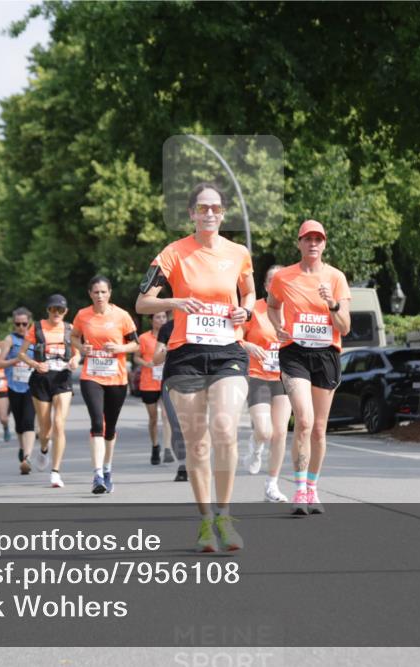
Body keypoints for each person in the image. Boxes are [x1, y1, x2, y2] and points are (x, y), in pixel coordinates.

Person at [136, 182, 254, 553]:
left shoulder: (238, 253)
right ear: (191, 214)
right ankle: (206, 522)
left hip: (227, 351)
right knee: (197, 443)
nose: (209, 213)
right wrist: (176, 302)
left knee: (225, 427)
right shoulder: (172, 253)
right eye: (202, 208)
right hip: (185, 355)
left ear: (223, 213)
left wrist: (246, 310)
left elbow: (250, 292)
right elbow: (142, 303)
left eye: (215, 208)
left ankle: (225, 515)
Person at [267, 220, 350, 516]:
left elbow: (345, 327)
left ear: (324, 244)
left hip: (326, 354)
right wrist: (278, 326)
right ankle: (300, 489)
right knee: (303, 420)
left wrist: (333, 304)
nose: (313, 243)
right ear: (299, 243)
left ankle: (312, 488)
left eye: (318, 239)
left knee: (318, 429)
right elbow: (272, 305)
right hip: (295, 353)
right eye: (307, 239)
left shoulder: (336, 278)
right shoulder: (284, 277)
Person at [72, 276, 138, 494]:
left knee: (110, 429)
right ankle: (97, 474)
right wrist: (81, 348)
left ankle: (107, 468)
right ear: (90, 294)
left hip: (116, 378)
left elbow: (135, 344)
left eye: (103, 292)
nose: (99, 296)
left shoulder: (122, 316)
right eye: (96, 292)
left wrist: (120, 349)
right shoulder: (83, 315)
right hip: (91, 376)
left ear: (109, 293)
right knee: (97, 423)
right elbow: (73, 337)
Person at [241, 265, 291, 502]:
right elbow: (234, 337)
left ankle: (272, 485)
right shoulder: (254, 309)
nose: (276, 283)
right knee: (264, 430)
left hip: (284, 377)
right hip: (257, 375)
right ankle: (256, 443)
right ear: (265, 285)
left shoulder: (292, 311)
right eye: (272, 280)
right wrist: (248, 345)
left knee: (280, 433)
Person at [22, 294, 80, 488]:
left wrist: (75, 360)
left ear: (66, 311)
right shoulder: (37, 328)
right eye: (53, 309)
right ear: (48, 310)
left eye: (60, 310)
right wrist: (35, 364)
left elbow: (77, 352)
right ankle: (44, 448)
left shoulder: (70, 329)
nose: (56, 313)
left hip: (62, 378)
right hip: (41, 379)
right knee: (45, 430)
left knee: (59, 424)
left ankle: (55, 472)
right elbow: (22, 353)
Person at [0, 307, 37, 474]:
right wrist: (16, 360)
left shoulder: (35, 338)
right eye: (17, 324)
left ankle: (27, 457)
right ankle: (22, 448)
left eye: (24, 324)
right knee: (19, 423)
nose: (21, 327)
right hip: (14, 387)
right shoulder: (10, 339)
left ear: (29, 323)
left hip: (31, 386)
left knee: (29, 421)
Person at [135, 311, 175, 465]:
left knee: (166, 415)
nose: (162, 320)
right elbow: (136, 357)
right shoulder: (144, 338)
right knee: (153, 418)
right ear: (151, 320)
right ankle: (155, 446)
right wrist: (146, 363)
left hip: (166, 381)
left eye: (164, 317)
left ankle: (167, 449)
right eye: (158, 317)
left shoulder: (171, 336)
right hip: (149, 382)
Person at [152, 318, 188, 482]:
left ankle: (198, 462)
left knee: (199, 424)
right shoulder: (168, 327)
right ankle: (183, 465)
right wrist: (168, 349)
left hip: (200, 379)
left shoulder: (208, 320)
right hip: (172, 379)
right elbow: (156, 359)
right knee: (177, 425)